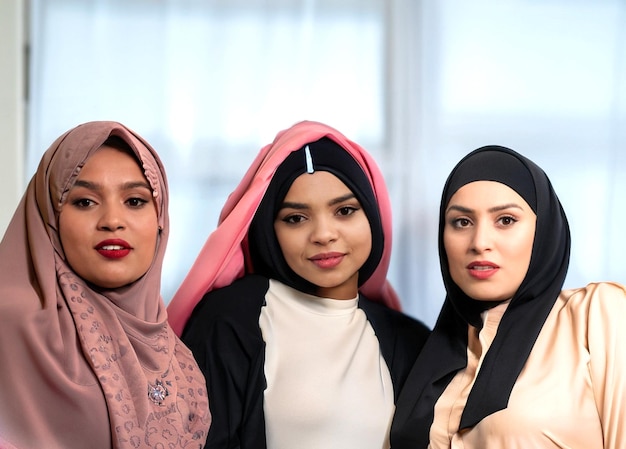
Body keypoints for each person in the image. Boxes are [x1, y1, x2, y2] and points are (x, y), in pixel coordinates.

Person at [167, 120, 430, 449]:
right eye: (296, 218)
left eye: (345, 211)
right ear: (268, 230)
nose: (323, 234)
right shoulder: (231, 321)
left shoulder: (410, 341)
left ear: (373, 217)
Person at [390, 145, 626, 448]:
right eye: (462, 222)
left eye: (505, 220)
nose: (480, 242)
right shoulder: (433, 359)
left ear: (543, 231)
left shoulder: (598, 315)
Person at [0, 121, 210, 449]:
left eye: (135, 201)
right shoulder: (12, 325)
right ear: (50, 218)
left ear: (160, 219)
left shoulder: (176, 355)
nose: (112, 220)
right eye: (84, 202)